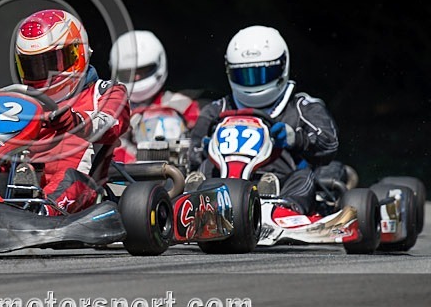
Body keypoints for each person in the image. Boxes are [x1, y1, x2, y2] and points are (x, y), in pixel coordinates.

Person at [188, 25, 339, 214]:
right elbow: (192, 153)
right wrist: (206, 149)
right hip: (222, 182)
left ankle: (284, 210)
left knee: (304, 175)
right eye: (245, 74)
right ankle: (197, 205)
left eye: (261, 74)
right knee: (204, 168)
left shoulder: (302, 106)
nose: (253, 83)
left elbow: (329, 145)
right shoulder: (218, 110)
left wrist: (297, 139)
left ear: (282, 66)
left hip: (281, 181)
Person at [14, 9, 130, 215]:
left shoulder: (105, 91)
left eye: (50, 62)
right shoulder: (21, 101)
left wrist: (76, 121)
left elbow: (111, 123)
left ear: (77, 54)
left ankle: (45, 208)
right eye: (33, 66)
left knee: (75, 142)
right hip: (25, 173)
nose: (42, 74)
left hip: (85, 189)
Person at [108, 30, 200, 162]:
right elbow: (111, 151)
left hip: (181, 170)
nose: (136, 77)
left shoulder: (182, 104)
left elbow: (201, 139)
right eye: (129, 73)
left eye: (143, 70)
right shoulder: (115, 111)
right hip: (133, 175)